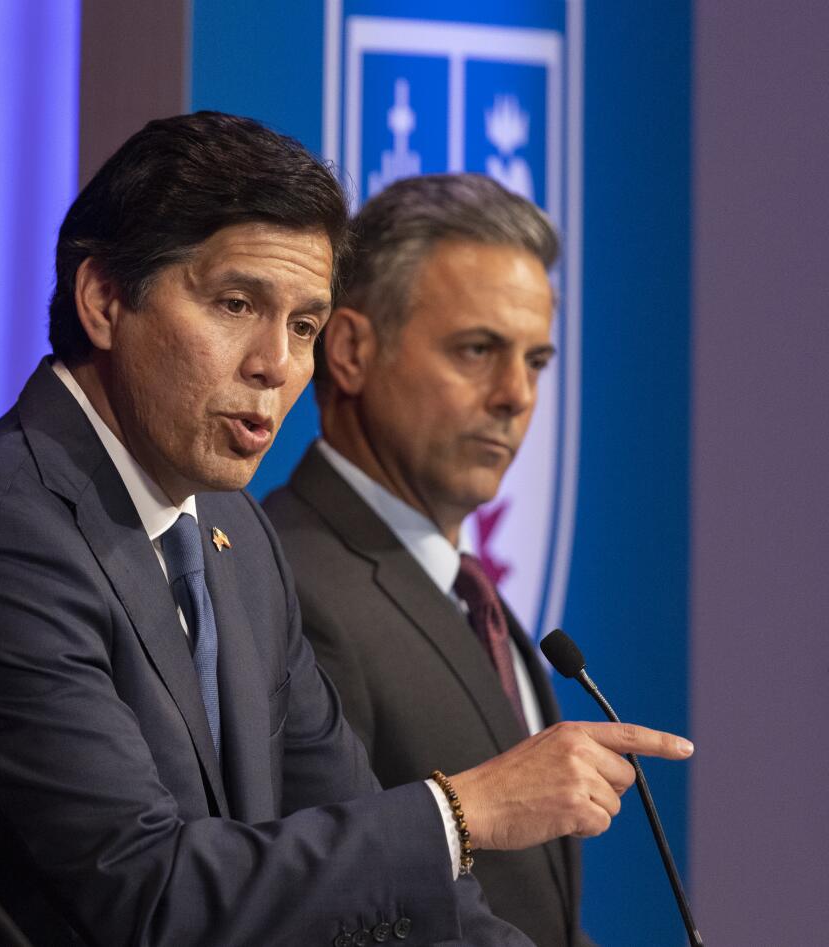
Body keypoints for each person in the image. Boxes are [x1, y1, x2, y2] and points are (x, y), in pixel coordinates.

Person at [0, 115, 691, 946]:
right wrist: (464, 810)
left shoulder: (234, 534)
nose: (276, 364)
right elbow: (150, 900)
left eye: (303, 325)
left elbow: (358, 863)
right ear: (105, 299)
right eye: (236, 304)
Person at [264, 174, 595, 945]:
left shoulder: (478, 601)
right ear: (349, 349)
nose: (515, 395)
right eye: (477, 350)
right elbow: (330, 901)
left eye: (537, 360)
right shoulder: (288, 580)